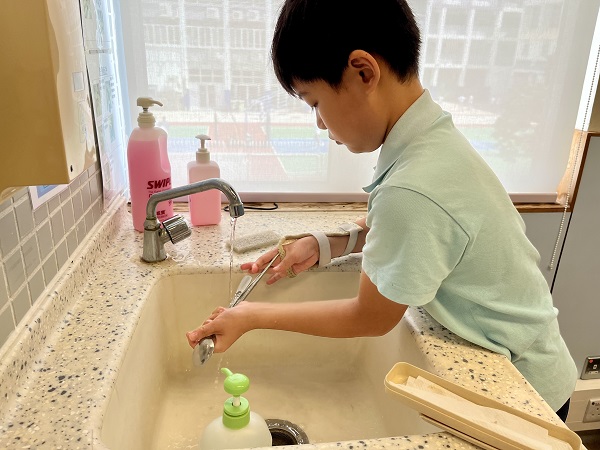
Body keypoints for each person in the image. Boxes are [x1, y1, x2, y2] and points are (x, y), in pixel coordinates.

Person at [186, 0, 577, 421]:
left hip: (523, 388)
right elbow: (400, 231)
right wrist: (325, 243)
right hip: (532, 361)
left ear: (363, 72)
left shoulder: (413, 185)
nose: (319, 123)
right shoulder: (428, 140)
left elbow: (369, 316)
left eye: (314, 102)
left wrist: (249, 317)